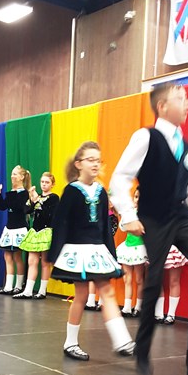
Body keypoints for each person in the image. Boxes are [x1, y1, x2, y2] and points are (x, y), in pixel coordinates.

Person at [110, 82, 188, 375]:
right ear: (163, 106)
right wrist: (127, 215)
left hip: (181, 216)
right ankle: (142, 350)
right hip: (153, 218)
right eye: (181, 98)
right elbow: (120, 177)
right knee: (153, 282)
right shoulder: (146, 137)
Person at [48, 141, 135, 361]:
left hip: (97, 250)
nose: (95, 164)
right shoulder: (71, 191)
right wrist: (53, 255)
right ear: (78, 164)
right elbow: (61, 224)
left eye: (98, 160)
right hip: (77, 252)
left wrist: (112, 256)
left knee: (106, 291)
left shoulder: (101, 192)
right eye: (90, 160)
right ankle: (71, 342)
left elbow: (105, 227)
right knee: (82, 295)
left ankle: (122, 341)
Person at [15, 172, 59, 299]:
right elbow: (26, 210)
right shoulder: (37, 197)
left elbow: (50, 214)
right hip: (35, 231)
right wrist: (33, 200)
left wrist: (39, 200)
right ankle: (28, 290)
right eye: (42, 182)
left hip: (46, 231)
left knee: (45, 262)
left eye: (47, 182)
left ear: (52, 184)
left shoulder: (54, 198)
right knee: (31, 261)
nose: (44, 185)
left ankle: (42, 290)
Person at [0, 166, 30, 295]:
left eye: (15, 174)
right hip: (10, 227)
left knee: (17, 257)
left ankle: (18, 285)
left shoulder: (24, 193)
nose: (12, 176)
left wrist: (11, 194)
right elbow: (3, 206)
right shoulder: (12, 193)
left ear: (22, 177)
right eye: (11, 174)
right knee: (7, 256)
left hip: (19, 228)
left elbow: (18, 206)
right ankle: (8, 286)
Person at [116, 187, 148, 318]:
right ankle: (127, 307)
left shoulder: (146, 215)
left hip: (140, 248)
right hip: (128, 248)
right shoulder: (130, 213)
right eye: (135, 196)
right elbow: (123, 227)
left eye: (140, 197)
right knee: (127, 279)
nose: (137, 199)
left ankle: (139, 307)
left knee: (139, 279)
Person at [155, 245, 188, 325]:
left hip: (174, 248)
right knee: (157, 281)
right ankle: (159, 314)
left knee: (174, 281)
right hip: (157, 247)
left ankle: (171, 315)